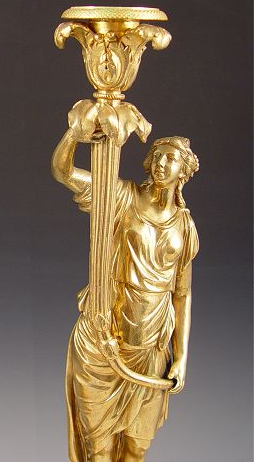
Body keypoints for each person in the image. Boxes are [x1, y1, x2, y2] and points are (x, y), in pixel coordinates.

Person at [52, 130, 199, 462]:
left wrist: (181, 357)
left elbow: (182, 294)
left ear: (184, 171)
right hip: (104, 341)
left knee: (137, 448)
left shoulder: (185, 226)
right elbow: (63, 171)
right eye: (157, 156)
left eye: (171, 159)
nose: (161, 163)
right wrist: (75, 131)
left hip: (151, 349)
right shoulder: (121, 197)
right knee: (99, 450)